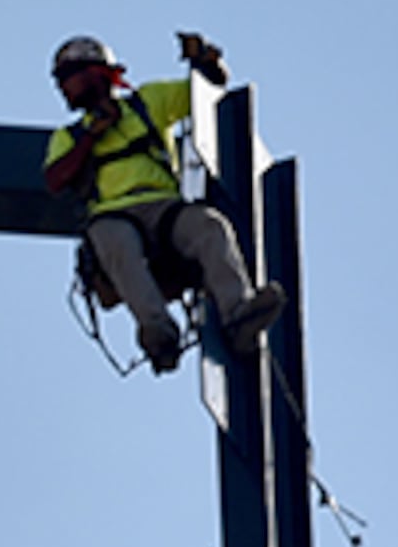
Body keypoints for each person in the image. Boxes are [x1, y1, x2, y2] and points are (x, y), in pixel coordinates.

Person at [44, 31, 285, 376]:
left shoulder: (148, 103)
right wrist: (93, 134)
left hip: (163, 210)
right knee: (116, 240)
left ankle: (239, 315)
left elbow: (208, 93)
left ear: (97, 72)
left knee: (208, 225)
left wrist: (206, 61)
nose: (63, 87)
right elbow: (56, 179)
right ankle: (158, 333)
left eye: (68, 76)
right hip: (111, 215)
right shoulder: (69, 137)